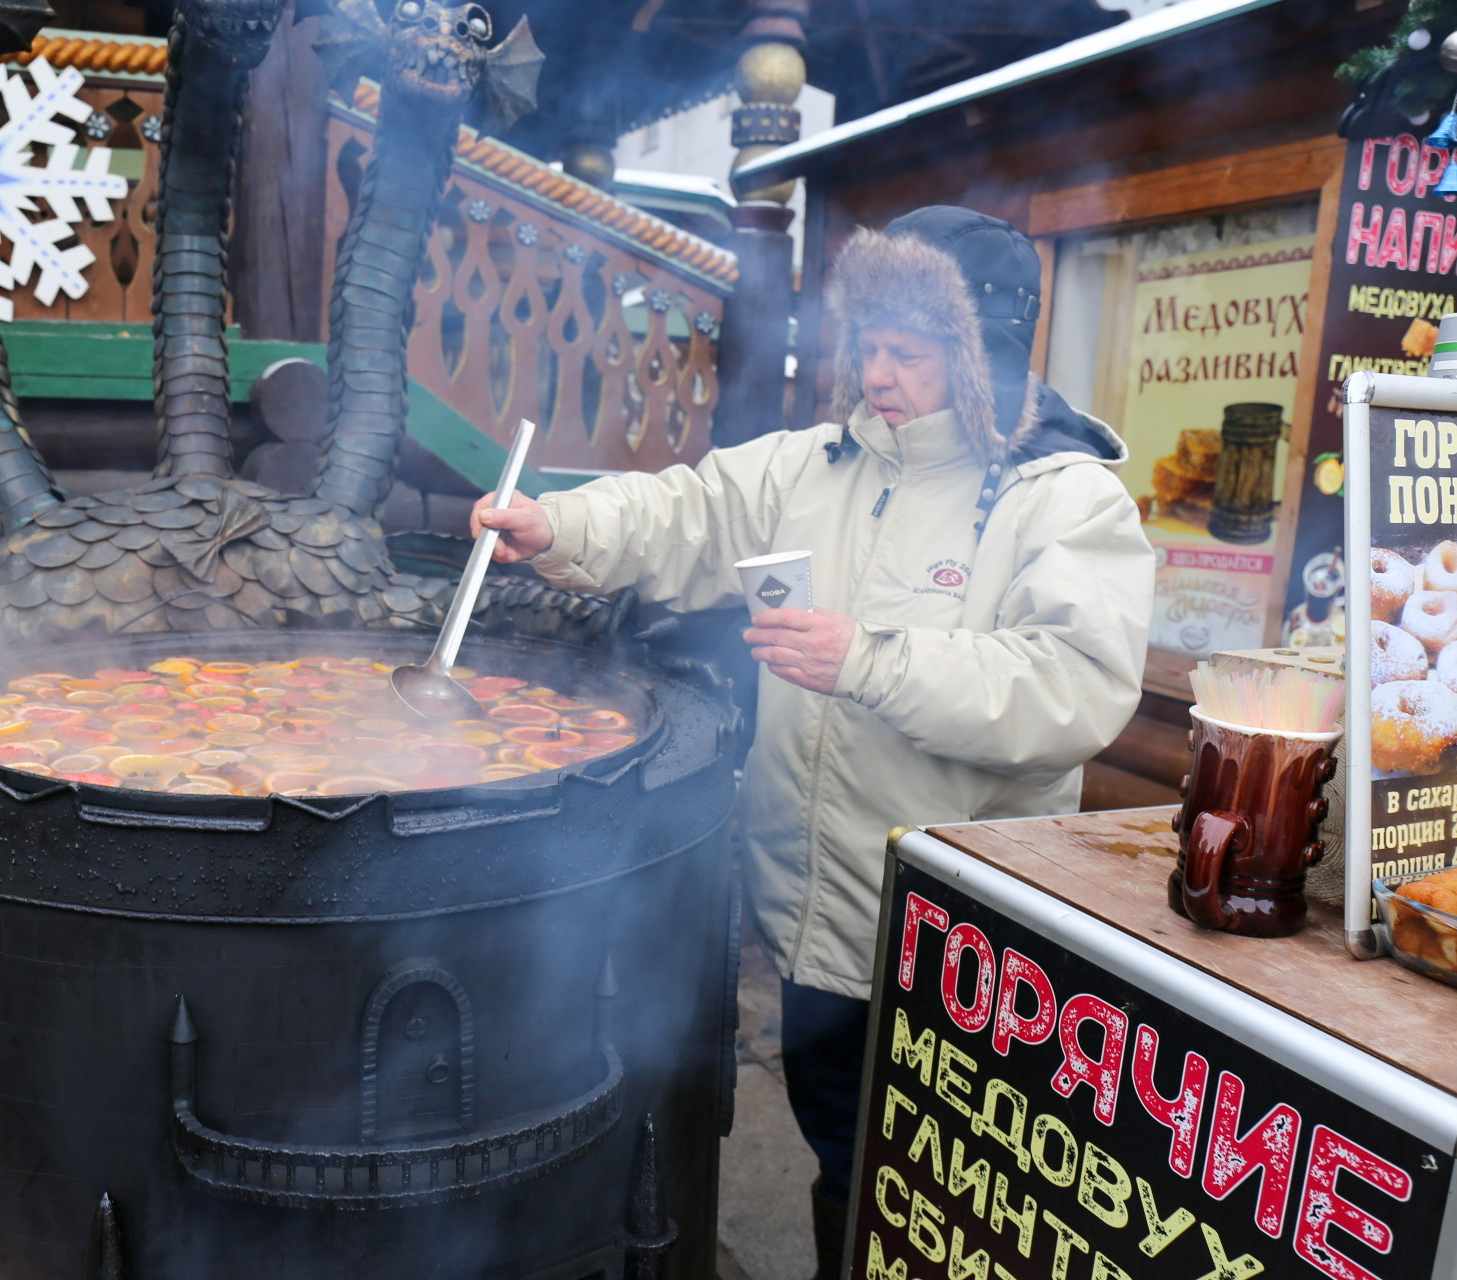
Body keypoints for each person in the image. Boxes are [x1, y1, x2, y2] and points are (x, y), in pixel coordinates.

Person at [471, 206, 1153, 1278]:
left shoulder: (1061, 498)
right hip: (812, 919)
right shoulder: (819, 466)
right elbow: (687, 512)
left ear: (984, 352)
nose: (877, 375)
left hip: (964, 946)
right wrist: (563, 528)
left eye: (909, 353)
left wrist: (866, 659)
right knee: (845, 1156)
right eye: (867, 345)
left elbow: (1072, 686)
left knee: (947, 1189)